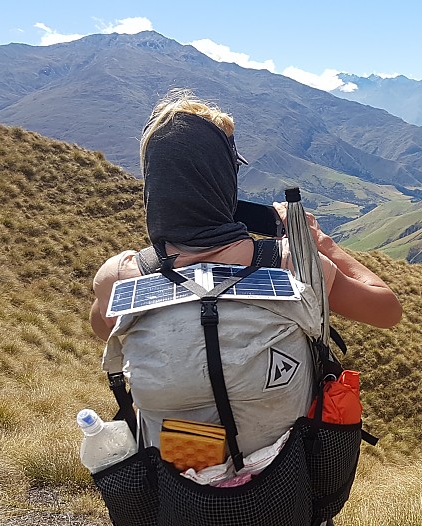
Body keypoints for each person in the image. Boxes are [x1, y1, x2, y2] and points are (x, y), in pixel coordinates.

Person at [90, 88, 402, 459]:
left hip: (179, 486)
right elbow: (387, 311)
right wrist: (321, 242)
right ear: (223, 179)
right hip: (287, 483)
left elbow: (103, 330)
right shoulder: (294, 264)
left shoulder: (121, 277)